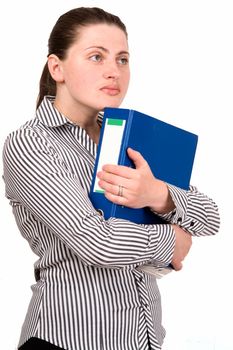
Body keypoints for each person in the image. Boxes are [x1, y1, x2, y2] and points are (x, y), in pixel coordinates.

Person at [2, 7, 220, 350]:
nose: (113, 72)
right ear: (56, 67)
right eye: (95, 57)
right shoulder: (30, 143)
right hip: (67, 340)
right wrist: (170, 241)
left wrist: (158, 194)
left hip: (140, 340)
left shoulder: (131, 136)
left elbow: (211, 218)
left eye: (122, 59)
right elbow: (95, 241)